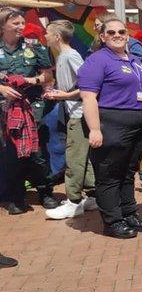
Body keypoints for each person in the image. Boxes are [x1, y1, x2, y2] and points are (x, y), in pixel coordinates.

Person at [78, 17, 142, 239]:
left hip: (136, 123)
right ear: (102, 37)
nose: (117, 35)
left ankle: (129, 213)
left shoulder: (134, 60)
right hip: (111, 123)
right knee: (109, 175)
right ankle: (113, 221)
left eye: (121, 31)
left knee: (128, 173)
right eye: (111, 32)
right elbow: (88, 97)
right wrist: (94, 129)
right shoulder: (97, 60)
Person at [0, 7, 56, 213]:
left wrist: (33, 80)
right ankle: (16, 197)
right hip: (5, 109)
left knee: (36, 151)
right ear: (3, 25)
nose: (21, 27)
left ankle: (45, 192)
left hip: (32, 106)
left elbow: (48, 76)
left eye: (22, 23)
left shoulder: (35, 47)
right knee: (11, 153)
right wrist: (2, 88)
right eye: (15, 23)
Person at [42, 20, 97, 219]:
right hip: (74, 111)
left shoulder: (70, 56)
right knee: (84, 157)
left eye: (47, 32)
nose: (44, 35)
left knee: (74, 157)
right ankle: (93, 195)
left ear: (57, 36)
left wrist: (63, 96)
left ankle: (73, 201)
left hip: (77, 113)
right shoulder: (65, 56)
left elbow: (87, 84)